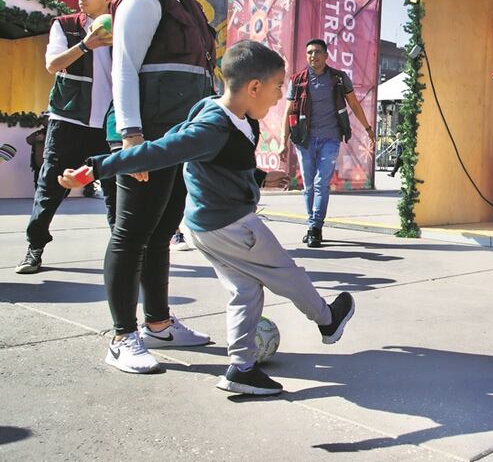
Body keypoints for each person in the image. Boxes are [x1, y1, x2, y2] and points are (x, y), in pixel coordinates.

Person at [59, 40, 356, 393]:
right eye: (278, 87)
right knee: (286, 273)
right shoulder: (214, 127)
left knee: (245, 290)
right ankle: (327, 319)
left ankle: (241, 370)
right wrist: (96, 168)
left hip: (206, 227)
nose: (281, 96)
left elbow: (206, 153)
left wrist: (260, 176)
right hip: (232, 225)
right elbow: (165, 148)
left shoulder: (217, 111)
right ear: (254, 87)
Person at [102, 0, 221, 372]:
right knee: (131, 233)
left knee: (161, 233)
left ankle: (158, 324)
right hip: (145, 137)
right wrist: (132, 136)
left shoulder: (186, 1)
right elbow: (124, 66)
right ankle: (122, 336)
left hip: (176, 141)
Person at [16, 0, 118, 274]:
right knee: (49, 188)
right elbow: (53, 64)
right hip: (68, 119)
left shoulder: (123, 28)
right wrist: (86, 44)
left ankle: (123, 256)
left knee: (115, 191)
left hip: (110, 124)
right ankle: (34, 247)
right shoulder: (65, 25)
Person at [284, 39, 375, 248]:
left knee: (320, 183)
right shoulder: (298, 80)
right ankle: (312, 224)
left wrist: (368, 129)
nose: (312, 56)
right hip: (304, 140)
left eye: (317, 52)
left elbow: (353, 103)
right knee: (308, 186)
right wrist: (283, 141)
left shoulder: (338, 78)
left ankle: (315, 227)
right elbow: (289, 111)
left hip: (330, 138)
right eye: (309, 53)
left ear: (326, 55)